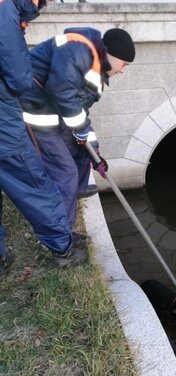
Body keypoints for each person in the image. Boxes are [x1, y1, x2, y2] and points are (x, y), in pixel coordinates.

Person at [0, 0, 87, 276]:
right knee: (35, 183)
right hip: (3, 121)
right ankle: (64, 249)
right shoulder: (4, 10)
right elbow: (19, 77)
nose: (44, 6)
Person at [21, 27, 135, 230]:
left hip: (55, 113)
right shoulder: (78, 52)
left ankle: (78, 189)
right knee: (66, 173)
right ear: (111, 55)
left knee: (83, 151)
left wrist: (95, 152)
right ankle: (63, 235)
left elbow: (81, 113)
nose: (123, 70)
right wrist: (80, 129)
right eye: (124, 64)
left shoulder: (95, 67)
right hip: (37, 114)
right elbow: (61, 91)